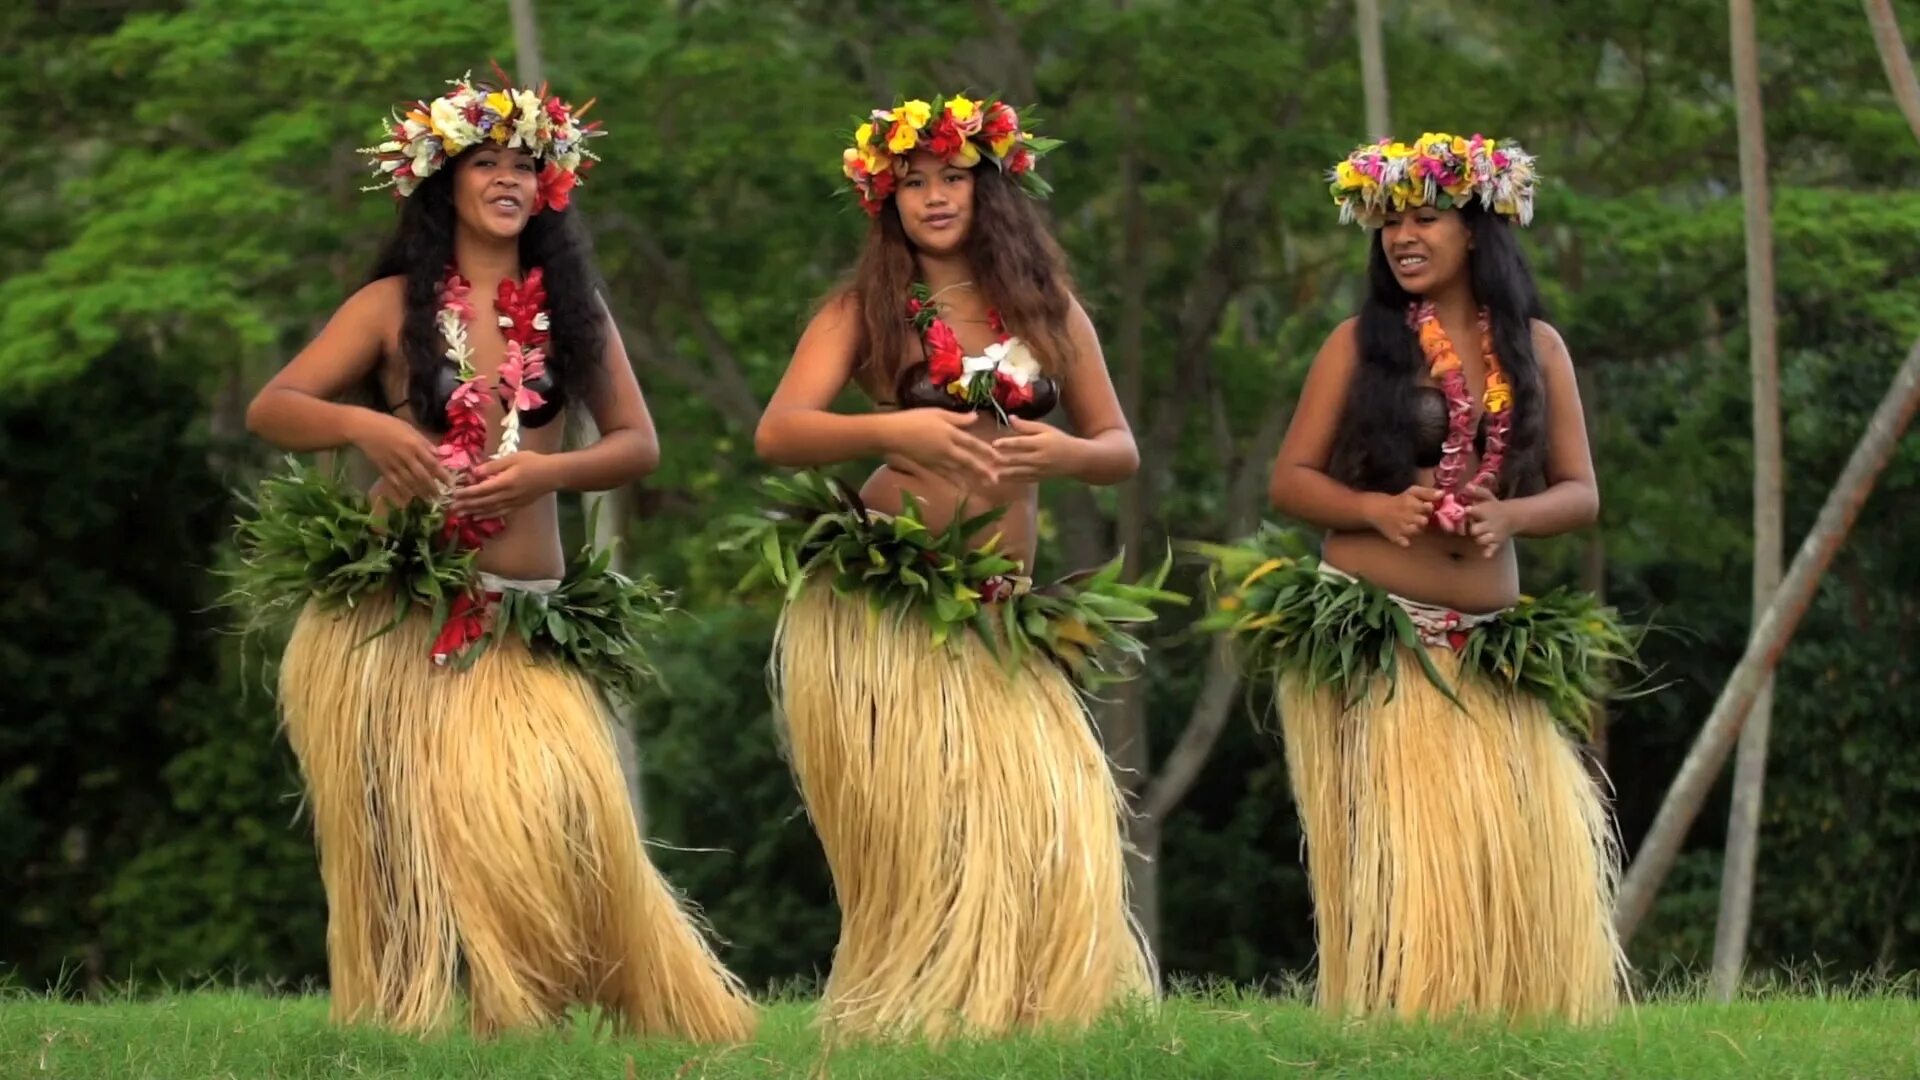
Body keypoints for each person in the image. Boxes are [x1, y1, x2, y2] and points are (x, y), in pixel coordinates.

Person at [232, 70, 755, 1040]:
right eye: (488, 162)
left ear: (549, 187)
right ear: (446, 182)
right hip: (401, 618)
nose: (509, 177)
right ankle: (401, 1019)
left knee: (550, 816)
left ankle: (537, 1000)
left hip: (524, 611)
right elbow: (275, 407)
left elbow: (638, 442)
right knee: (396, 843)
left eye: (527, 163)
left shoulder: (571, 308)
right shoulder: (391, 306)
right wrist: (367, 426)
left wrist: (543, 476)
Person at [745, 94, 1171, 1040]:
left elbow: (1118, 446)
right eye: (913, 183)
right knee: (919, 824)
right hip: (887, 601)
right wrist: (895, 426)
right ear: (886, 200)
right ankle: (911, 1000)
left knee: (1037, 818)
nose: (934, 197)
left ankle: (1023, 999)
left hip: (999, 605)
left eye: (952, 177)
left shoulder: (1047, 310)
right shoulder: (864, 309)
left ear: (994, 187)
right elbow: (781, 431)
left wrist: (1060, 454)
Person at [1199, 133, 1632, 1022]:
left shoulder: (1536, 348)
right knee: (1396, 850)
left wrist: (1510, 515)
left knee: (1505, 850)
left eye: (1425, 217)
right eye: (1390, 221)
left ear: (1475, 230)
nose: (1403, 236)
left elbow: (1581, 492)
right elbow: (1292, 481)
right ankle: (1394, 1007)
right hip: (1378, 637)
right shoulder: (1359, 344)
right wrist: (1377, 508)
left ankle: (1500, 1006)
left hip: (1487, 649)